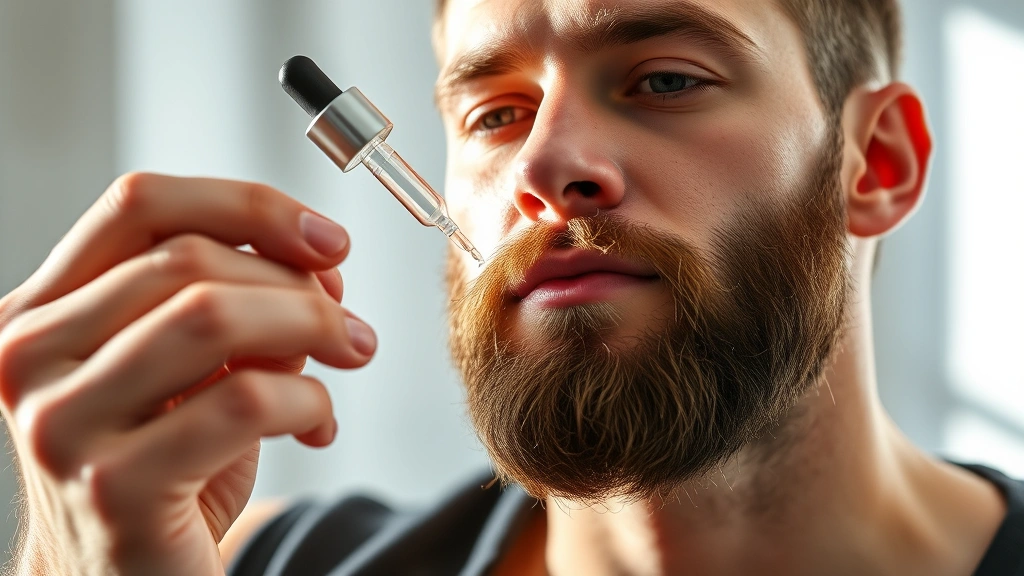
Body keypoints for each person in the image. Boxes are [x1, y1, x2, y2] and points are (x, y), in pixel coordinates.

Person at [0, 0, 1021, 574]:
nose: (543, 168)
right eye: (494, 113)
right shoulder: (258, 566)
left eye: (665, 79)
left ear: (873, 161)